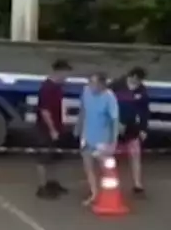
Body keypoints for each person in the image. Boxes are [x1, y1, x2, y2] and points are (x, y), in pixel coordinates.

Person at [78, 72, 120, 205]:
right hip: (87, 136)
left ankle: (109, 194)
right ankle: (94, 193)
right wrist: (78, 128)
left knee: (105, 168)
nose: (91, 86)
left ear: (102, 84)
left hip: (102, 139)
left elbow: (114, 120)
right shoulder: (86, 91)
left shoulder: (109, 97)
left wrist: (113, 142)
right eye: (90, 82)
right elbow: (83, 110)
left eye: (94, 83)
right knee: (88, 167)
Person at [34, 59, 71, 199]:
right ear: (59, 71)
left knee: (54, 157)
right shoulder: (47, 88)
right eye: (66, 73)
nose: (67, 76)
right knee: (43, 158)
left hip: (57, 127)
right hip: (45, 129)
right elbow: (44, 111)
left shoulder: (58, 87)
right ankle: (42, 187)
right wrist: (52, 130)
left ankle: (52, 183)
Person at [111, 66, 149, 195]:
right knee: (110, 155)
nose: (138, 83)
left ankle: (137, 184)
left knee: (135, 154)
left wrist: (143, 129)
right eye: (137, 80)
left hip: (132, 127)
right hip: (114, 126)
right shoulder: (116, 85)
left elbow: (144, 111)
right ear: (132, 76)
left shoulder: (142, 91)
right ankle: (110, 180)